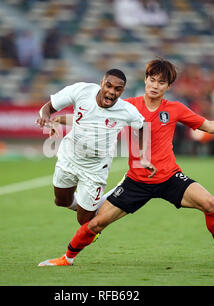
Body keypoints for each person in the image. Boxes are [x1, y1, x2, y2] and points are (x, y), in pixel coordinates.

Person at [38, 58, 214, 269]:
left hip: (169, 177)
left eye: (161, 82)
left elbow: (209, 126)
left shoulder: (176, 109)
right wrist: (60, 118)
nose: (155, 85)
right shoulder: (128, 105)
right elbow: (94, 117)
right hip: (136, 182)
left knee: (210, 203)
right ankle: (66, 258)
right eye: (152, 79)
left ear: (168, 87)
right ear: (146, 80)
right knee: (95, 222)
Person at [36, 69, 156, 226]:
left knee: (84, 221)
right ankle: (91, 205)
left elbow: (142, 127)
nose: (112, 92)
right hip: (69, 156)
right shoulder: (81, 91)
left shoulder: (126, 110)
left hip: (95, 168)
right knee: (61, 201)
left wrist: (143, 156)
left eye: (117, 89)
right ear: (101, 83)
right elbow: (48, 107)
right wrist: (46, 118)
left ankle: (105, 200)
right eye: (108, 86)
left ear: (122, 91)